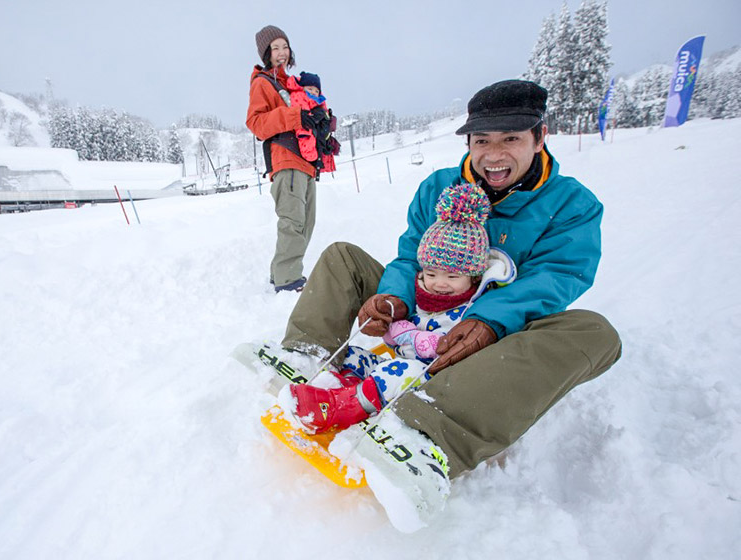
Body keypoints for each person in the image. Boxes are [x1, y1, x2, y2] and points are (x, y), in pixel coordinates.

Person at [266, 79, 623, 531]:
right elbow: (409, 254)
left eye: (510, 139)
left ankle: (421, 433)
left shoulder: (573, 204)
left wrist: (490, 320)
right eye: (481, 141)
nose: (493, 155)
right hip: (422, 316)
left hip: (498, 339)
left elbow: (558, 277)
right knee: (342, 256)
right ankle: (309, 358)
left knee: (596, 333)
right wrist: (394, 296)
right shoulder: (440, 187)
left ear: (540, 137)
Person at [286, 181, 516, 435]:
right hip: (397, 366)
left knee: (402, 372)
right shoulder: (422, 294)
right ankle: (342, 388)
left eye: (452, 277)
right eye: (431, 273)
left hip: (430, 379)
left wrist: (419, 339)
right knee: (352, 355)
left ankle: (345, 406)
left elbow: (452, 346)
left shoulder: (472, 308)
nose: (439, 284)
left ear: (473, 277)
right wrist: (396, 322)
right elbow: (399, 328)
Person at [246, 25, 331, 293]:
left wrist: (321, 122)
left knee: (307, 222)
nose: (281, 53)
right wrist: (296, 116)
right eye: (275, 48)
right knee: (293, 222)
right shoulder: (263, 83)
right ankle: (288, 280)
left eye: (285, 46)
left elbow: (308, 118)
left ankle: (280, 272)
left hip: (306, 164)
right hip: (286, 160)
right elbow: (256, 123)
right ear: (266, 54)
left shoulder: (291, 84)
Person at [287, 71, 339, 175]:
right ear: (302, 88)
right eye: (309, 89)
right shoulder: (300, 97)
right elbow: (305, 129)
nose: (313, 92)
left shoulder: (318, 103)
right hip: (308, 150)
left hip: (317, 146)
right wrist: (312, 156)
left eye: (316, 90)